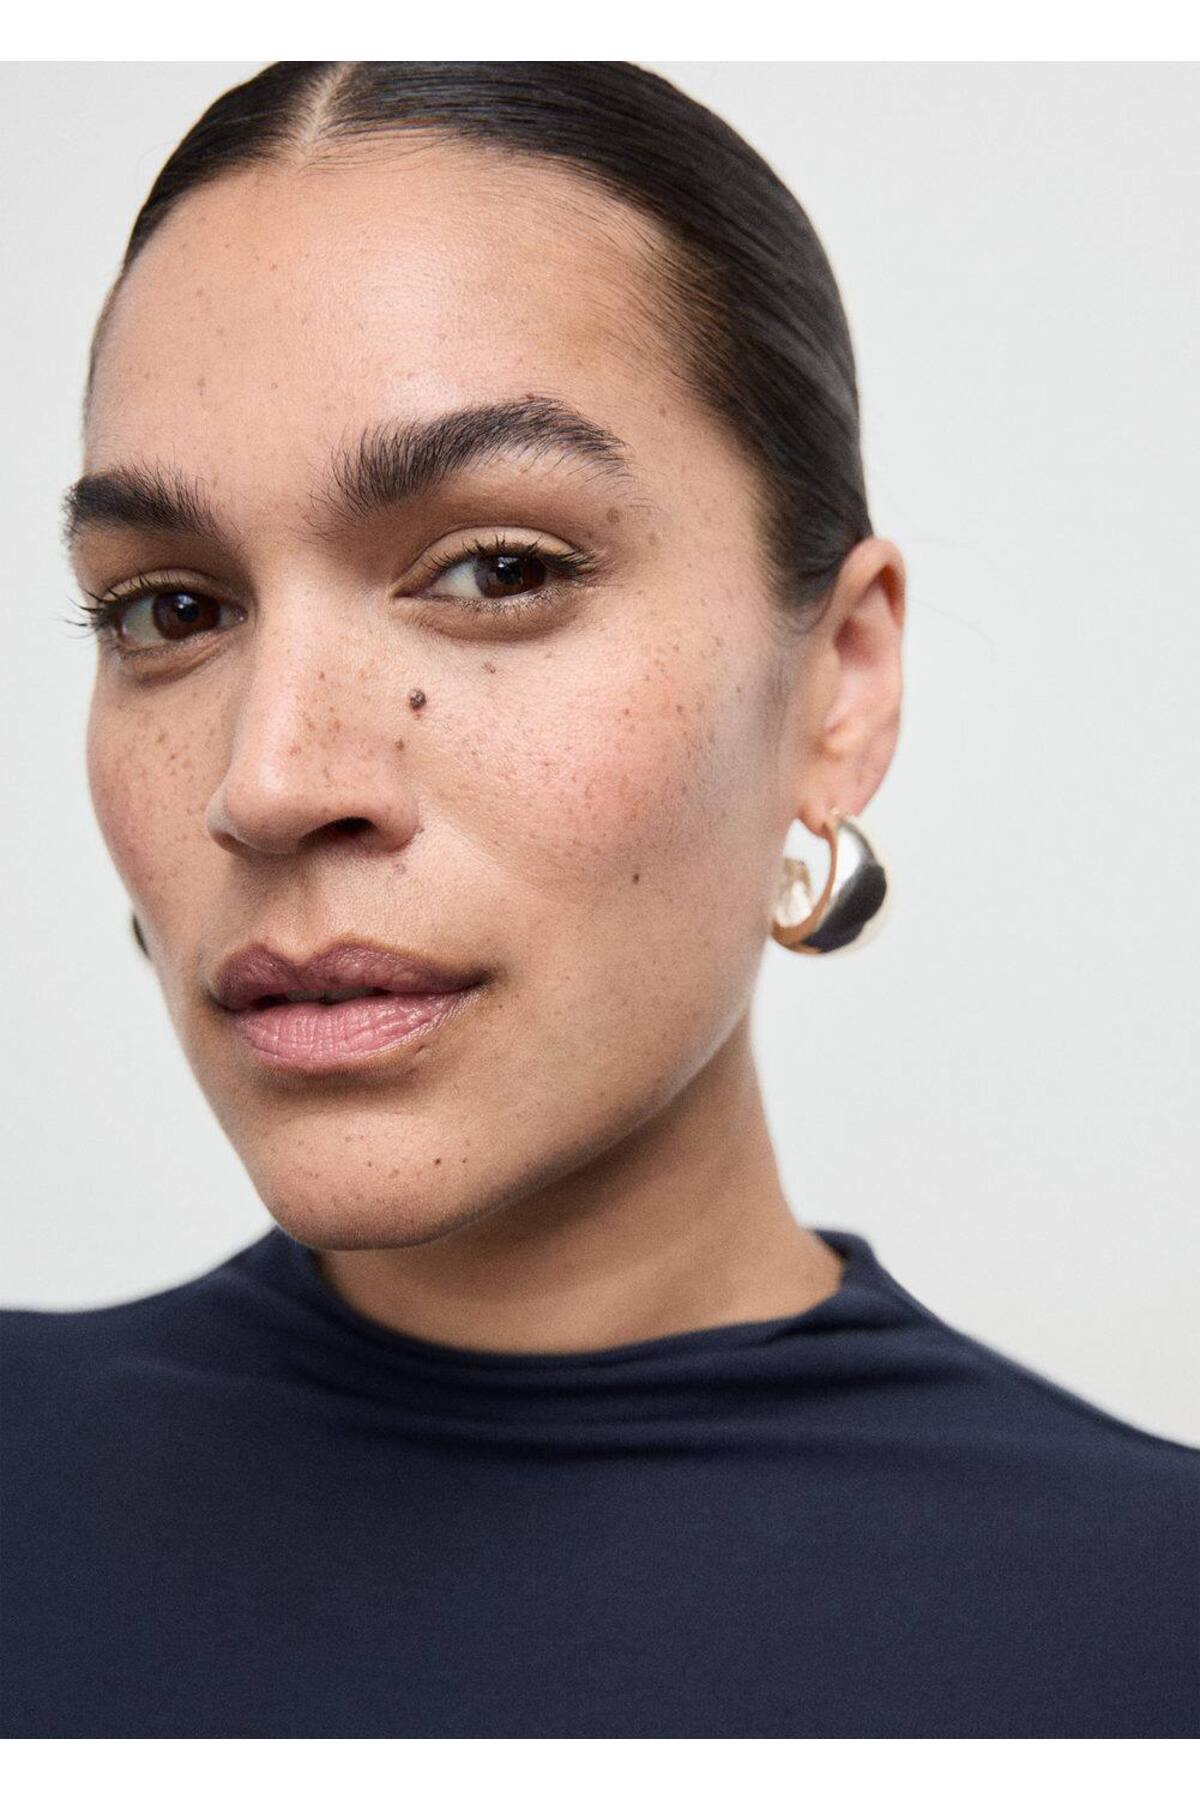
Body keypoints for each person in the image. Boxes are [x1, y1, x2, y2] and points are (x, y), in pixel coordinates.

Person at [1, 61, 1195, 1740]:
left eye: (498, 571)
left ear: (838, 687)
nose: (266, 781)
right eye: (169, 609)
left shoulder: (1147, 1632)